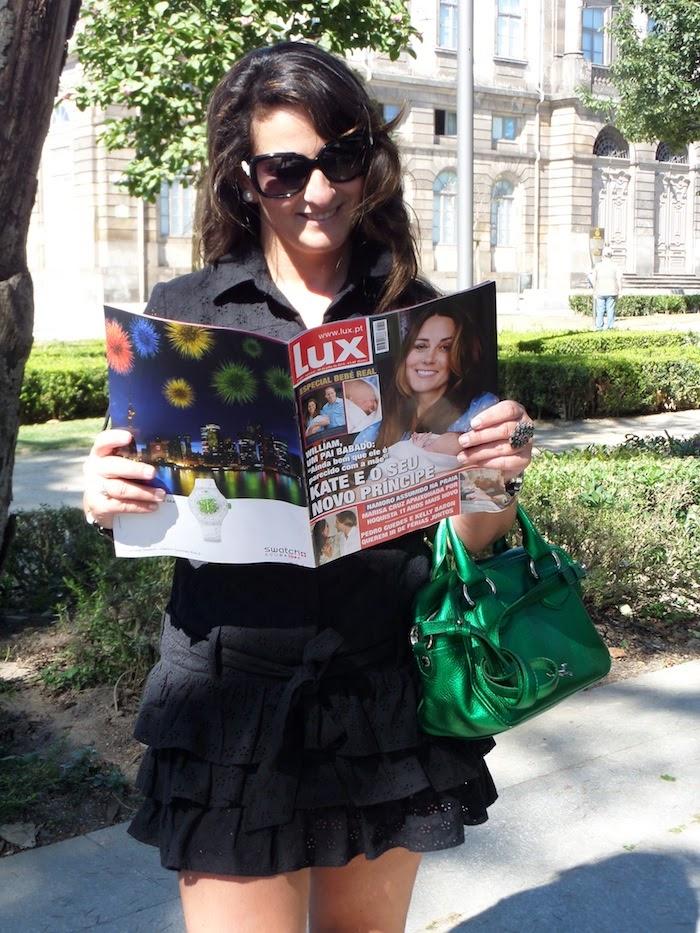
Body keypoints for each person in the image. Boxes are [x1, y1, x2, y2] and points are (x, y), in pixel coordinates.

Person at [82, 41, 534, 933]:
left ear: (371, 162)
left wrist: (492, 477)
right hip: (228, 696)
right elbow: (140, 504)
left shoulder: (421, 319)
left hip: (378, 691)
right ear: (247, 180)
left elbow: (475, 537)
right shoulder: (186, 312)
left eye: (342, 159)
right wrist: (106, 497)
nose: (319, 190)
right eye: (287, 170)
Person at [354, 305, 498, 455]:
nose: (429, 359)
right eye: (421, 346)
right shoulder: (377, 427)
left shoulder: (479, 409)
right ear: (405, 355)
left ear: (460, 356)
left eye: (444, 347)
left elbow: (495, 468)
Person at [590, 246, 622, 330]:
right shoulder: (615, 266)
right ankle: (610, 327)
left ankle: (599, 327)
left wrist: (594, 290)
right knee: (610, 310)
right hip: (612, 291)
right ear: (611, 255)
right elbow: (619, 279)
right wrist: (620, 290)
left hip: (600, 291)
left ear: (603, 255)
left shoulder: (598, 266)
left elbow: (593, 279)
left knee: (600, 310)